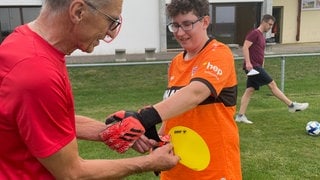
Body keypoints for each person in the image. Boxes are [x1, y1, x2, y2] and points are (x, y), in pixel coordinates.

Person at [0, 0, 180, 179]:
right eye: (111, 21)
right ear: (78, 12)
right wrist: (150, 162)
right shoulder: (37, 74)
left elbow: (46, 120)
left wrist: (110, 132)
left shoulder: (23, 44)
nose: (110, 32)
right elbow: (71, 173)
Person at [106, 0, 242, 179]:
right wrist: (156, 140)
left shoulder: (219, 53)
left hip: (212, 168)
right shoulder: (176, 62)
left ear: (205, 22)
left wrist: (144, 117)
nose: (180, 32)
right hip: (176, 166)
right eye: (175, 25)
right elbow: (174, 112)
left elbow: (196, 93)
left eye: (187, 24)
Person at [235, 14, 309, 124]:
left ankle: (240, 116)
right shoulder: (254, 33)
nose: (270, 27)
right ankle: (292, 105)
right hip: (253, 67)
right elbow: (245, 46)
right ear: (263, 22)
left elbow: (260, 53)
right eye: (269, 24)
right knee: (272, 84)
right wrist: (248, 63)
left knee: (249, 90)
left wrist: (262, 65)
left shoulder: (261, 36)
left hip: (257, 67)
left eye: (272, 25)